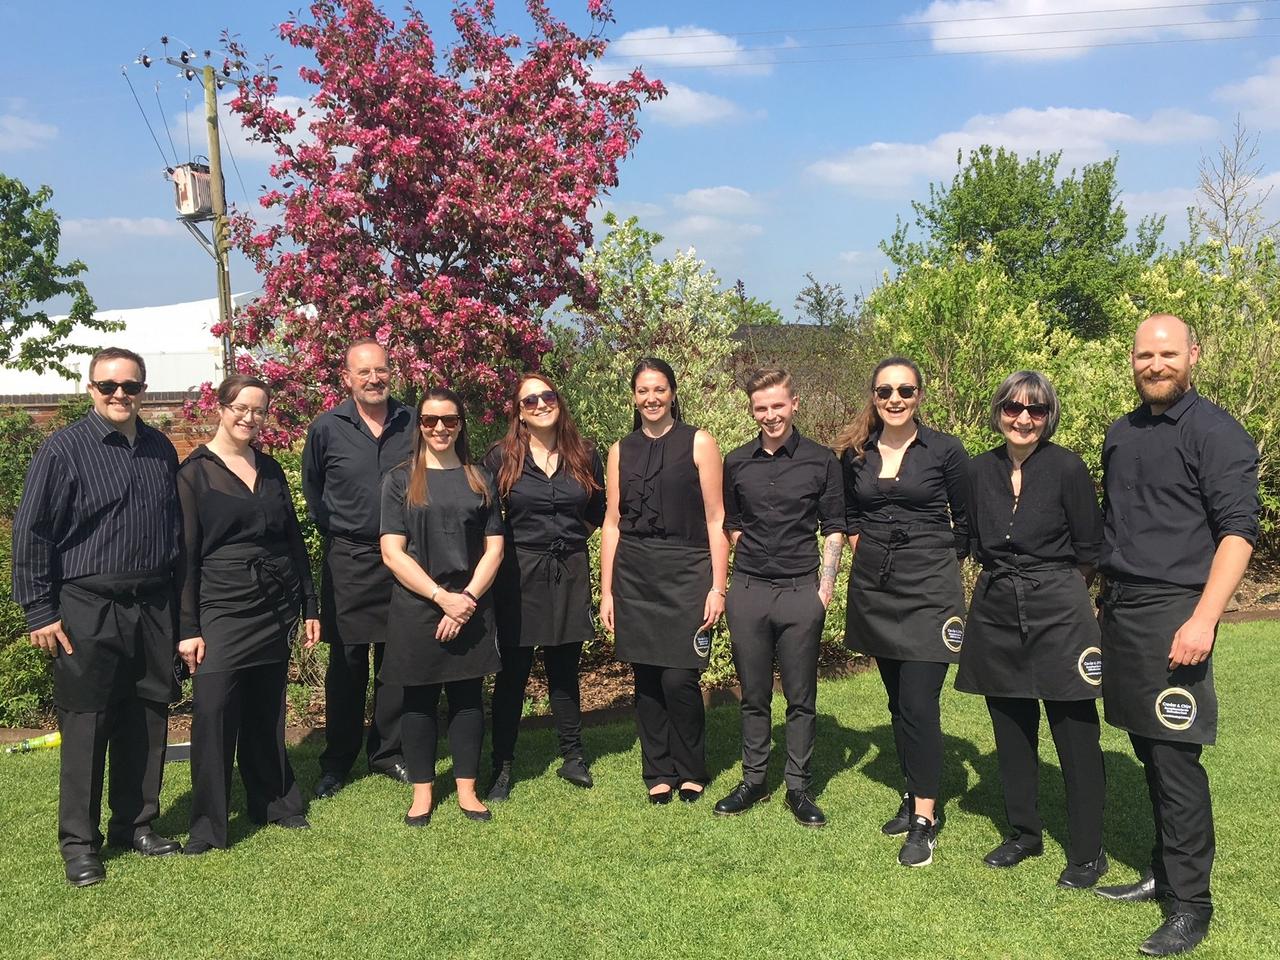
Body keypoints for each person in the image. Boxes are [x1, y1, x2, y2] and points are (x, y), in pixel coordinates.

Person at [1093, 315, 1258, 957]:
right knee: (1146, 748)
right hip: (1123, 610)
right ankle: (1163, 872)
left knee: (1175, 759)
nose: (1155, 364)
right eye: (1143, 355)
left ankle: (1191, 904)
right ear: (1132, 361)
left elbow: (1237, 534)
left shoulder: (1218, 433)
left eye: (1167, 353)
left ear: (1192, 355)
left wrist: (1203, 620)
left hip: (1177, 615)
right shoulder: (1120, 433)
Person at [12, 347, 182, 886]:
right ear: (91, 389)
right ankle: (79, 844)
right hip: (88, 605)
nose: (118, 395)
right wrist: (40, 611)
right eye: (107, 386)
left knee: (148, 716)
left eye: (129, 386)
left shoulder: (161, 448)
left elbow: (173, 530)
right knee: (87, 723)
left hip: (152, 604)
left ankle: (135, 824)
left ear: (143, 390)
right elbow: (32, 532)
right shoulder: (64, 449)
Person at [955, 371, 1108, 888]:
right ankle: (1025, 833)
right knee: (1010, 727)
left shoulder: (1066, 468)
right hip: (997, 606)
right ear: (998, 412)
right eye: (1013, 408)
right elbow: (971, 541)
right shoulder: (978, 471)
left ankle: (1088, 852)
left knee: (1075, 731)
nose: (1023, 419)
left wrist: (1059, 593)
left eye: (1036, 410)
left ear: (1048, 416)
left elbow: (1090, 548)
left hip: (1060, 608)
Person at [175, 376, 322, 854]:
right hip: (221, 604)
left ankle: (276, 803)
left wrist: (309, 605)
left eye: (259, 411)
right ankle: (208, 827)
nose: (249, 417)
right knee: (214, 712)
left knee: (267, 710)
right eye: (240, 407)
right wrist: (189, 628)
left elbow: (293, 542)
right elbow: (186, 557)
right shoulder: (194, 473)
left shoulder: (272, 468)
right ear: (220, 408)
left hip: (274, 603)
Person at [835, 356, 969, 867]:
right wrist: (860, 546)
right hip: (876, 588)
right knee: (896, 703)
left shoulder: (945, 451)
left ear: (919, 396)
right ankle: (914, 793)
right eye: (886, 390)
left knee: (918, 703)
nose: (895, 399)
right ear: (873, 395)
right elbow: (848, 513)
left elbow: (967, 524)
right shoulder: (857, 455)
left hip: (929, 593)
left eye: (905, 391)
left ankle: (926, 818)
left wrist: (933, 559)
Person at [715, 368, 845, 828]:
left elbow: (834, 527)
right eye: (760, 407)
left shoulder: (822, 460)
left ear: (794, 404)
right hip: (749, 590)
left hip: (800, 592)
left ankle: (798, 786)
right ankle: (753, 780)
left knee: (800, 696)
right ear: (752, 410)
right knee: (752, 695)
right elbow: (729, 523)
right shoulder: (736, 461)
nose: (770, 415)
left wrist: (823, 591)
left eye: (777, 405)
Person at [600, 358, 729, 805]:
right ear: (634, 397)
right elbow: (612, 522)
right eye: (642, 391)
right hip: (635, 572)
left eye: (658, 389)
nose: (651, 398)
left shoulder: (699, 442)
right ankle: (657, 769)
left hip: (687, 570)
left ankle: (691, 768)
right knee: (647, 679)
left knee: (680, 678)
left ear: (673, 392)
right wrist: (608, 590)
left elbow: (716, 518)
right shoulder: (621, 449)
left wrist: (718, 585)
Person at [380, 387, 505, 825]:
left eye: (449, 420)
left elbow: (495, 549)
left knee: (469, 698)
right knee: (418, 701)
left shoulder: (479, 478)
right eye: (430, 420)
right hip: (419, 605)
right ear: (420, 425)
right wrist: (441, 598)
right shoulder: (399, 480)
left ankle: (468, 791)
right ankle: (422, 794)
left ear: (460, 425)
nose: (439, 428)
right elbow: (393, 553)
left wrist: (466, 599)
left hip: (470, 603)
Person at [483, 374, 605, 801]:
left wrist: (569, 541)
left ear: (559, 401)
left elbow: (598, 510)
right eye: (529, 399)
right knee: (513, 675)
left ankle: (573, 757)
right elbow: (487, 518)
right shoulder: (501, 457)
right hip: (518, 575)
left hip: (569, 570)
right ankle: (502, 767)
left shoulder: (585, 454)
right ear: (519, 410)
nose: (539, 404)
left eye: (547, 396)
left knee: (565, 669)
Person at [302, 339, 414, 797]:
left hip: (404, 560)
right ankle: (338, 760)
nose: (373, 379)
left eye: (381, 370)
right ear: (347, 378)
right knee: (347, 665)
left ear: (392, 373)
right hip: (349, 559)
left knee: (397, 660)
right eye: (363, 372)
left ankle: (388, 753)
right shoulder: (327, 427)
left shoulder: (413, 423)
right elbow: (314, 493)